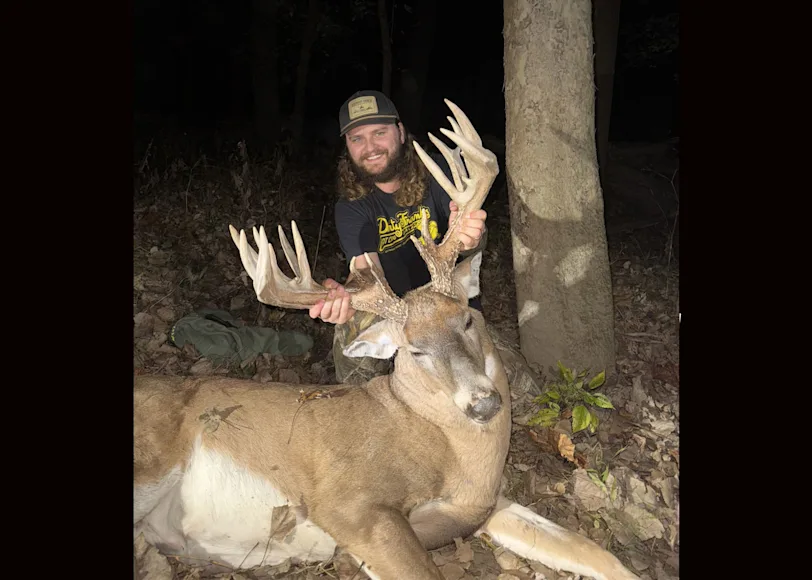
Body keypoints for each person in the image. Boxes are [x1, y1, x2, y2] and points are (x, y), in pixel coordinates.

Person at [309, 90, 489, 383]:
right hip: (398, 311)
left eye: (380, 133)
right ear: (347, 147)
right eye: (357, 139)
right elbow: (365, 269)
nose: (370, 147)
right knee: (355, 320)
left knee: (515, 385)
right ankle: (367, 406)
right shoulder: (351, 207)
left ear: (401, 132)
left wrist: (470, 236)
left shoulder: (440, 173)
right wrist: (346, 296)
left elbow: (471, 238)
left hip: (448, 301)